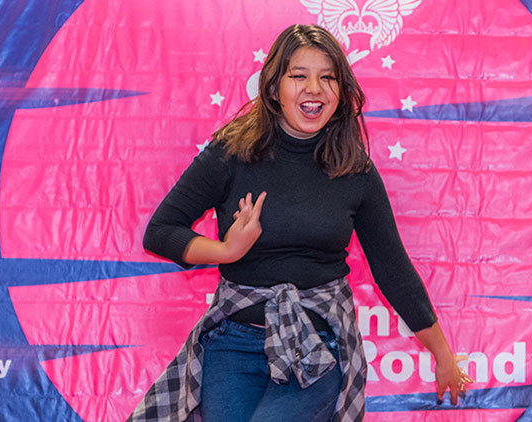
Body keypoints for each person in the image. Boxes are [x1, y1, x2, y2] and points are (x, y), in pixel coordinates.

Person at [129, 23, 472, 422]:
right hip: (233, 344)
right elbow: (161, 231)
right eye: (299, 76)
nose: (314, 89)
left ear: (341, 92)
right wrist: (227, 250)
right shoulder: (231, 153)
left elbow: (393, 270)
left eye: (328, 77)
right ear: (273, 88)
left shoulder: (354, 170)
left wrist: (442, 355)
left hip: (319, 346)